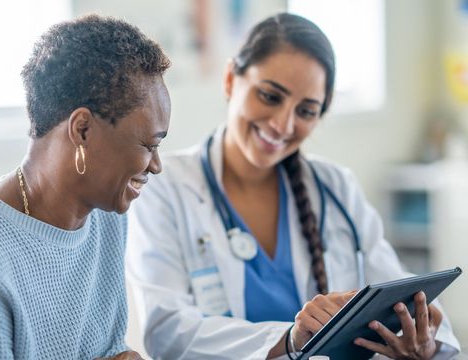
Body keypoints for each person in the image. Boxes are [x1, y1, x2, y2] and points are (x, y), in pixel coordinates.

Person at [126, 13, 460, 359]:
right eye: (271, 96)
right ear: (230, 80)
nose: (283, 124)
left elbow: (393, 284)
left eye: (306, 111)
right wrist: (290, 340)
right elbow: (167, 333)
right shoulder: (166, 187)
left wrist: (426, 340)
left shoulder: (334, 187)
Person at [0, 14, 171, 360]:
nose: (156, 165)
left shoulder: (106, 214)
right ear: (82, 129)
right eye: (149, 145)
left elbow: (108, 352)